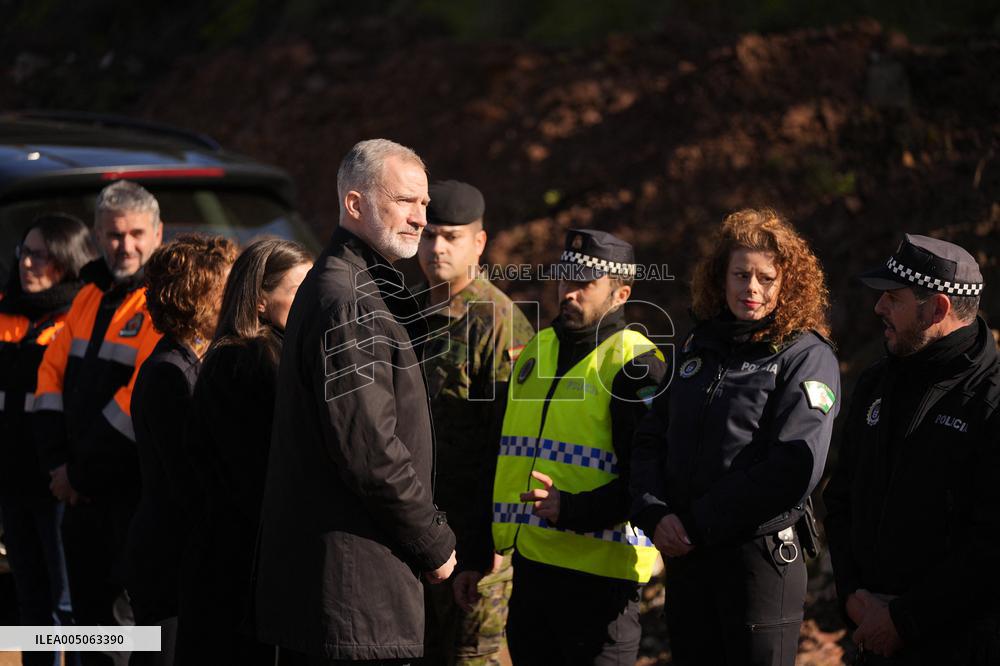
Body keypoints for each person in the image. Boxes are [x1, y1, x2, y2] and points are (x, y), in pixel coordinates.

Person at [254, 139, 457, 665]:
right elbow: (369, 449)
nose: (421, 219)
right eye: (406, 201)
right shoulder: (348, 300)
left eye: (424, 204)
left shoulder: (358, 286)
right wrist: (432, 540)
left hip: (351, 587)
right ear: (354, 204)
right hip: (351, 592)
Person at [630, 208, 841, 666]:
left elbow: (791, 469)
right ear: (719, 277)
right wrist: (654, 512)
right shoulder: (695, 346)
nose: (752, 289)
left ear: (787, 283)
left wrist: (697, 522)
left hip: (758, 563)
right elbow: (650, 437)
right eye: (740, 274)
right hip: (686, 559)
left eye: (766, 278)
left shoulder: (806, 356)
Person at [456, 228, 667, 665]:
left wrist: (572, 509)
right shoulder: (537, 349)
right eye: (563, 279)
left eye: (584, 284)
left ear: (619, 293)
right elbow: (499, 454)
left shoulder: (636, 364)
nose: (568, 292)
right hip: (532, 573)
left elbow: (648, 480)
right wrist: (476, 552)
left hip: (602, 582)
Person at [824, 234, 1000, 665]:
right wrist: (853, 597)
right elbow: (841, 496)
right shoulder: (875, 382)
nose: (877, 308)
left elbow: (991, 543)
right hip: (870, 637)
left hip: (961, 647)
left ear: (938, 308)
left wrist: (904, 620)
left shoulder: (991, 403)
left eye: (892, 298)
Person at [33, 180, 164, 666]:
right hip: (77, 491)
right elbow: (50, 374)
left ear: (157, 234)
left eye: (135, 234)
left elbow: (138, 401)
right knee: (87, 629)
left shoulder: (158, 299)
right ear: (96, 234)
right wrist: (57, 464)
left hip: (126, 492)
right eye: (112, 235)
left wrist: (77, 473)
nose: (124, 245)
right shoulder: (90, 294)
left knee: (122, 632)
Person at [414, 180, 534, 666]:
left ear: (479, 243)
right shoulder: (413, 313)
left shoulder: (499, 322)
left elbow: (511, 442)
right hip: (421, 536)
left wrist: (488, 551)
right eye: (428, 236)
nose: (437, 248)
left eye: (451, 236)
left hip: (476, 546)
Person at [178, 238, 312, 666]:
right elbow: (255, 476)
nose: (311, 302)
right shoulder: (247, 362)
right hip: (241, 570)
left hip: (245, 564)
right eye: (298, 292)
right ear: (258, 302)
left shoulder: (274, 352)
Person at [122, 234, 238, 666]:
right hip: (166, 558)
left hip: (178, 551)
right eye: (224, 291)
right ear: (196, 299)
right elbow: (187, 480)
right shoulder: (169, 374)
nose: (234, 301)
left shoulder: (190, 361)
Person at [0, 213, 96, 666]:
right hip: (12, 485)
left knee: (68, 606)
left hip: (60, 486)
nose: (28, 263)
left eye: (42, 255)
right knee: (31, 605)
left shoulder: (79, 315)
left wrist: (68, 469)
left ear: (68, 261)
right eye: (25, 251)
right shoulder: (5, 309)